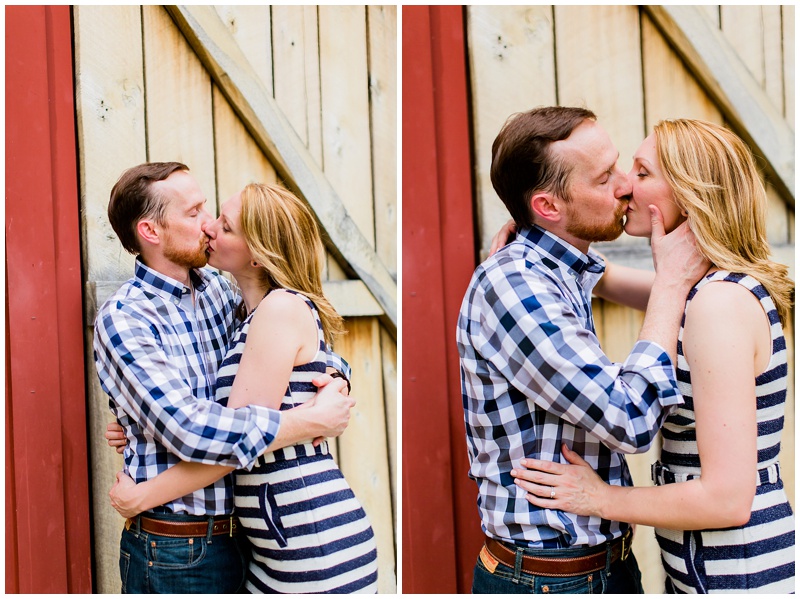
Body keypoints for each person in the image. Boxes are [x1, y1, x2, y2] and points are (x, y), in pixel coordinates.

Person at [512, 119, 795, 593]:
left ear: (685, 195)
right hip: (713, 565)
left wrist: (601, 498)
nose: (625, 184)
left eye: (642, 173)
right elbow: (624, 283)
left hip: (737, 573)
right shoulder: (707, 288)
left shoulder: (716, 305)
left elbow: (728, 500)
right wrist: (541, 237)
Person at [457, 106, 711, 594]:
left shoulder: (561, 270)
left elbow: (659, 287)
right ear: (549, 207)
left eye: (623, 166)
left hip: (599, 566)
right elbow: (630, 419)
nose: (625, 186)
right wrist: (671, 284)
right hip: (549, 579)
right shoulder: (515, 283)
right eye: (604, 179)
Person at [94, 163, 357, 594]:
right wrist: (308, 422)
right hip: (179, 548)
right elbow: (191, 430)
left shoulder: (221, 289)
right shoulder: (126, 320)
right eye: (194, 211)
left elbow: (295, 338)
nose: (209, 223)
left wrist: (336, 381)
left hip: (255, 538)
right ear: (151, 232)